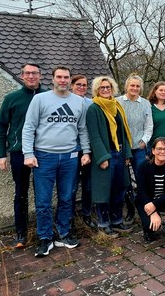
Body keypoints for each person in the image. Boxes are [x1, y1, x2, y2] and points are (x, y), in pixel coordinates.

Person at [22, 66, 90, 257]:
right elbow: (29, 127)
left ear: (70, 80)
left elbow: (83, 129)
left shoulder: (79, 102)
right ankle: (45, 238)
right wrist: (28, 153)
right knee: (43, 201)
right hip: (44, 157)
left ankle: (63, 233)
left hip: (70, 157)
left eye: (66, 77)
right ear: (52, 79)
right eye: (59, 77)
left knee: (67, 197)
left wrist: (86, 151)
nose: (63, 80)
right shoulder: (40, 99)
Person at [0, 62, 46, 248]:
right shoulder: (12, 98)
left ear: (40, 75)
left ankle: (45, 231)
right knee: (21, 193)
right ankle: (21, 233)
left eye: (35, 73)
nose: (31, 76)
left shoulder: (48, 96)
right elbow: (1, 127)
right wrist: (1, 154)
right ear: (22, 75)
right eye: (28, 73)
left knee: (44, 194)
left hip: (44, 152)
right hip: (19, 153)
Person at [86, 76, 133, 238]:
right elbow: (94, 136)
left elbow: (124, 132)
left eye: (108, 87)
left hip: (120, 153)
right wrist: (102, 157)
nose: (105, 90)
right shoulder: (94, 108)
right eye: (102, 88)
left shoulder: (117, 106)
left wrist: (127, 153)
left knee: (119, 188)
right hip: (106, 155)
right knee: (103, 191)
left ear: (112, 89)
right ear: (97, 90)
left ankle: (117, 220)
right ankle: (103, 224)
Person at [116, 74, 153, 225]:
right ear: (127, 86)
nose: (135, 88)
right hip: (123, 148)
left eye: (137, 86)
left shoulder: (145, 103)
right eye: (132, 85)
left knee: (142, 179)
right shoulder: (118, 102)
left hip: (139, 148)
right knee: (125, 181)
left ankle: (146, 208)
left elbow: (149, 125)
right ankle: (130, 209)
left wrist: (144, 141)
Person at [135, 137, 165, 246]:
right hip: (146, 201)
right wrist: (152, 212)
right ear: (153, 151)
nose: (162, 151)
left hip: (162, 201)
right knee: (150, 227)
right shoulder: (144, 166)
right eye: (159, 148)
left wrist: (154, 205)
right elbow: (141, 192)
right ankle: (148, 229)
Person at [70, 74, 95, 229]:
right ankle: (70, 217)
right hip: (72, 150)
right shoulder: (67, 102)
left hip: (88, 150)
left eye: (84, 85)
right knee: (71, 186)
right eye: (78, 84)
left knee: (88, 185)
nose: (81, 87)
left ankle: (86, 214)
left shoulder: (91, 103)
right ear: (72, 85)